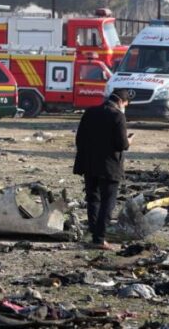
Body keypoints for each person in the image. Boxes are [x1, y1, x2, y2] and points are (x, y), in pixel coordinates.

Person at [74, 88, 133, 250]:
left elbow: (79, 139)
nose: (125, 107)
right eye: (126, 104)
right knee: (108, 202)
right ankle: (99, 239)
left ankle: (93, 234)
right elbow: (122, 144)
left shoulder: (90, 112)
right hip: (109, 167)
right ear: (121, 102)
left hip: (89, 164)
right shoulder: (118, 116)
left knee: (93, 199)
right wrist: (129, 141)